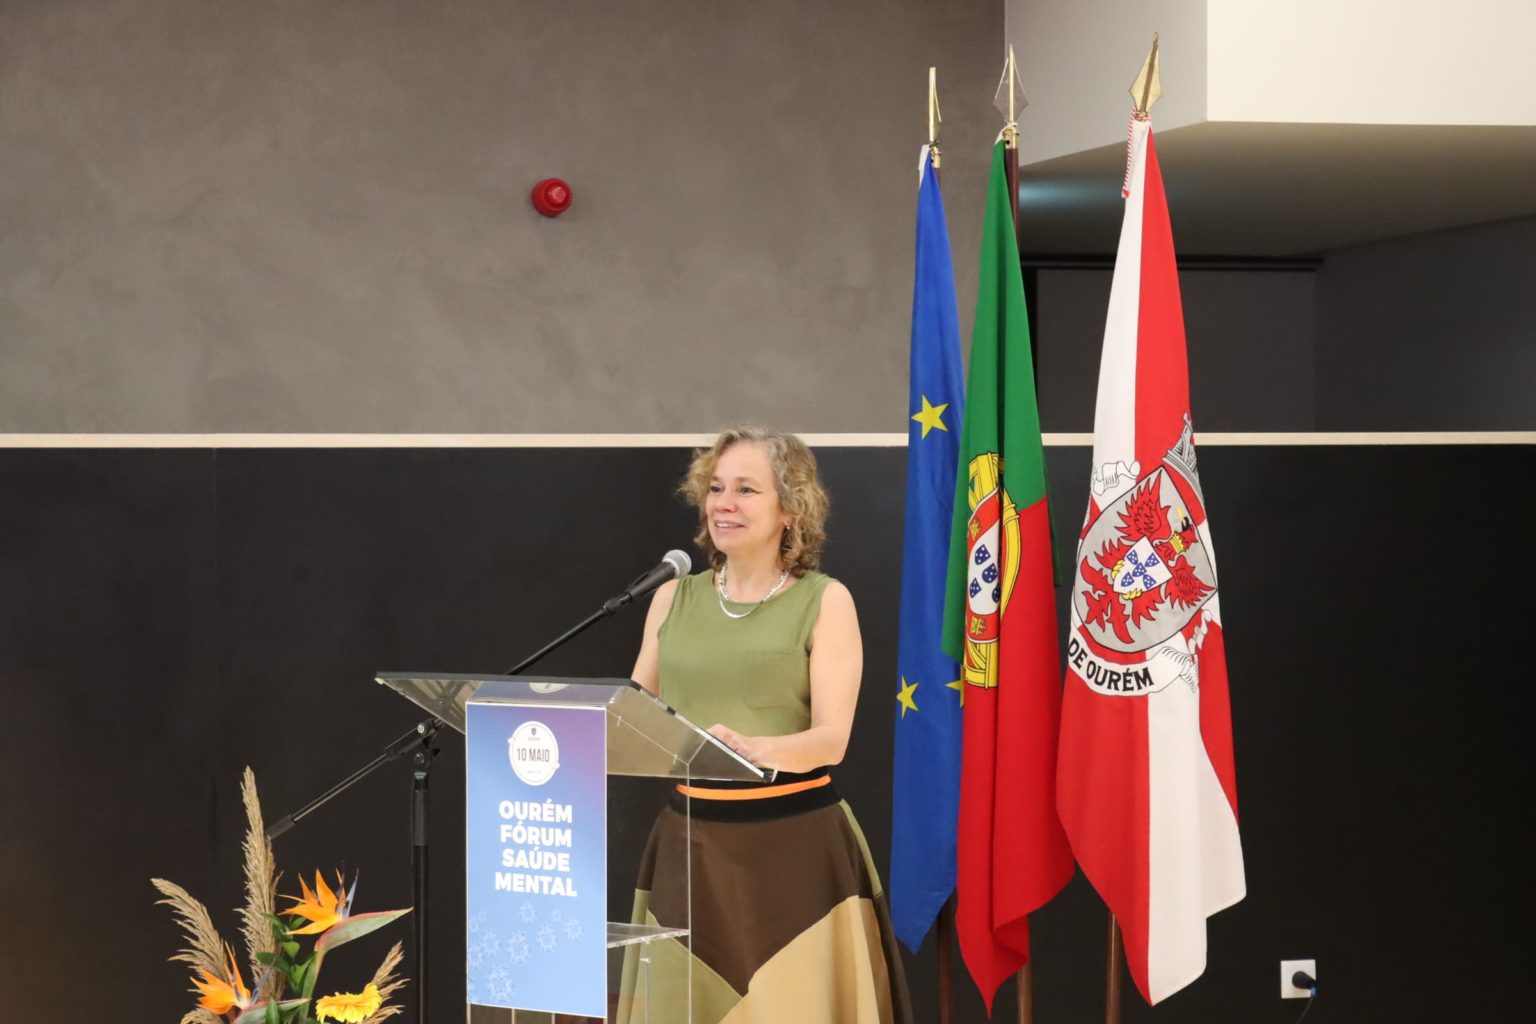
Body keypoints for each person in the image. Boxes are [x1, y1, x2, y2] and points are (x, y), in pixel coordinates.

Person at [619, 426, 912, 1024]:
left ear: (790, 508)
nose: (723, 504)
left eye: (746, 489)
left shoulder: (825, 600)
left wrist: (754, 748)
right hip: (690, 848)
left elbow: (833, 739)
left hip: (794, 851)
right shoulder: (671, 599)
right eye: (716, 488)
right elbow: (633, 719)